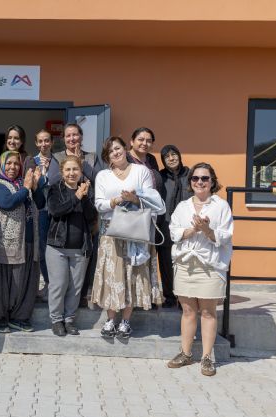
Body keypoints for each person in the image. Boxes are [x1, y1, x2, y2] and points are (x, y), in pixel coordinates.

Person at [91, 137, 164, 339]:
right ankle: (110, 320)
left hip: (136, 231)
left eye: (118, 148)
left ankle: (125, 322)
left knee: (132, 275)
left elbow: (153, 201)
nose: (115, 153)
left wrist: (135, 199)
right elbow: (99, 204)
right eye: (110, 151)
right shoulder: (103, 176)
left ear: (125, 148)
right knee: (111, 275)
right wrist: (115, 201)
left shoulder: (141, 171)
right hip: (111, 232)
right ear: (107, 157)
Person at [167, 163, 233, 376]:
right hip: (185, 263)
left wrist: (207, 230)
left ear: (212, 181)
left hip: (210, 265)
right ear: (191, 182)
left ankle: (206, 357)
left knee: (208, 312)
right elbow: (174, 233)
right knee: (187, 311)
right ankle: (186, 354)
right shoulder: (183, 206)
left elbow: (225, 236)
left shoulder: (221, 206)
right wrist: (193, 229)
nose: (200, 182)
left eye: (205, 178)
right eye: (195, 178)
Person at [0, 151, 44, 333]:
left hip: (28, 241)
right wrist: (26, 188)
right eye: (9, 163)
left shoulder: (22, 183)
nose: (13, 167)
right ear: (1, 165)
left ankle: (20, 317)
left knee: (26, 282)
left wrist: (36, 186)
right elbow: (8, 202)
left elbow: (41, 203)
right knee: (3, 283)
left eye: (16, 164)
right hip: (6, 243)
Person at [48, 122, 104, 307]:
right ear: (64, 139)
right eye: (68, 135)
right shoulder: (57, 157)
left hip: (87, 211)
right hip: (65, 213)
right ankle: (62, 303)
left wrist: (82, 163)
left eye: (75, 134)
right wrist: (73, 168)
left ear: (81, 136)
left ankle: (81, 296)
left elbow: (99, 179)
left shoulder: (91, 157)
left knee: (86, 255)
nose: (72, 138)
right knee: (61, 270)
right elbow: (53, 180)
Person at [46, 155, 96, 337]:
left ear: (81, 171)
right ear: (62, 172)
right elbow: (55, 211)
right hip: (57, 247)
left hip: (80, 248)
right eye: (68, 169)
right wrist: (76, 197)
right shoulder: (55, 189)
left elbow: (91, 217)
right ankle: (56, 320)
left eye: (75, 169)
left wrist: (84, 197)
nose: (71, 173)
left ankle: (69, 320)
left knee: (75, 288)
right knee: (58, 285)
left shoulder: (86, 190)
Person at [158, 145, 192, 307]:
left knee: (186, 262)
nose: (171, 158)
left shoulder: (191, 175)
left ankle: (185, 298)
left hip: (187, 228)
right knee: (166, 263)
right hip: (165, 225)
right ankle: (170, 297)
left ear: (179, 155)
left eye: (174, 154)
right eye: (167, 157)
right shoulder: (160, 177)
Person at [24, 129, 57, 296]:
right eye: (40, 141)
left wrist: (43, 179)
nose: (44, 144)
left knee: (56, 247)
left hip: (57, 211)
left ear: (52, 142)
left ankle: (57, 284)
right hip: (40, 211)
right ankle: (47, 283)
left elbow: (59, 182)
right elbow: (32, 184)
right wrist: (43, 176)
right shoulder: (32, 161)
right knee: (42, 248)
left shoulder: (58, 160)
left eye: (47, 140)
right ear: (36, 143)